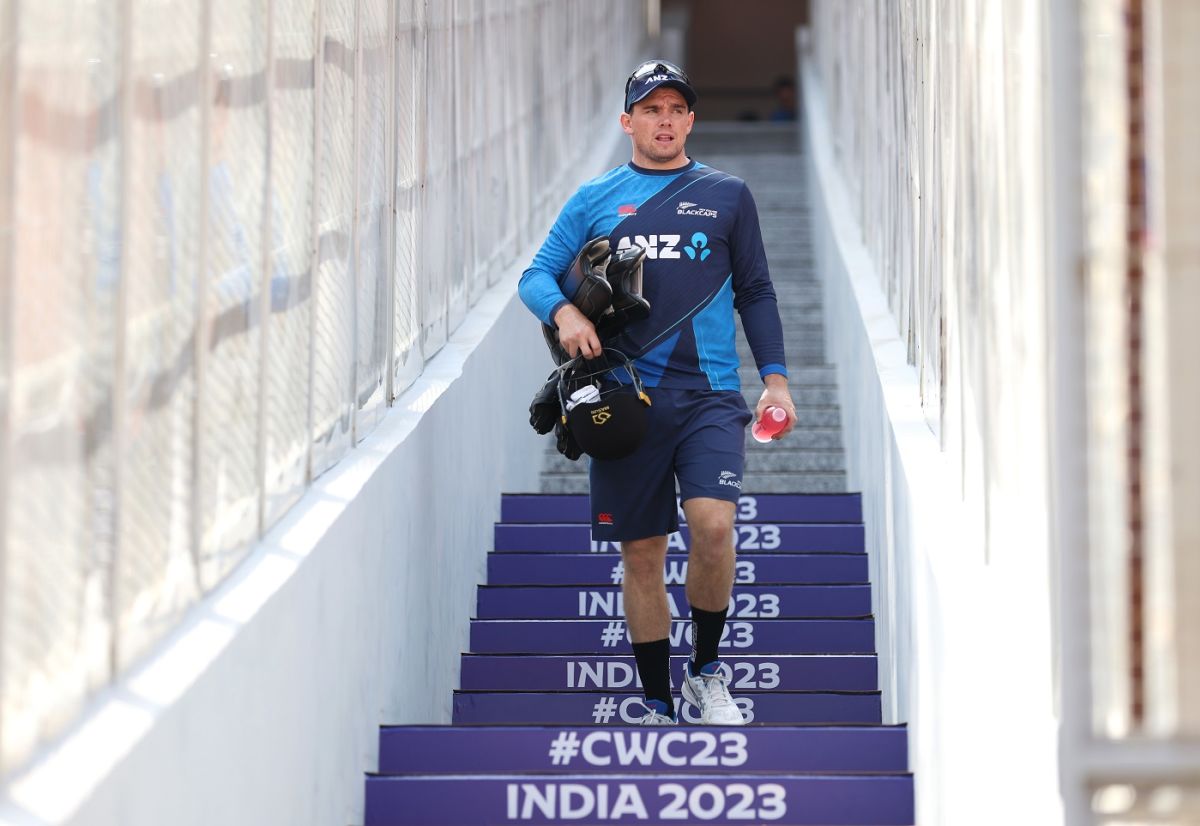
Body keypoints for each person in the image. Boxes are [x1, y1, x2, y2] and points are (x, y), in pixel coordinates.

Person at [518, 59, 796, 726]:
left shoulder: (728, 194)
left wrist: (776, 379)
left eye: (675, 109)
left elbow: (755, 291)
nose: (664, 120)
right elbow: (535, 276)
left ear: (691, 120)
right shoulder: (594, 199)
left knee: (714, 525)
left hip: (710, 396)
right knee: (642, 554)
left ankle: (705, 675)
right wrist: (566, 313)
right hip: (623, 399)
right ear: (628, 121)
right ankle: (653, 700)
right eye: (650, 109)